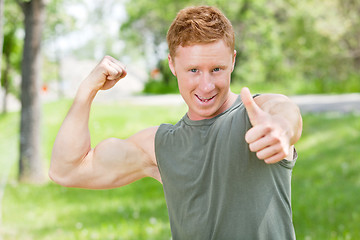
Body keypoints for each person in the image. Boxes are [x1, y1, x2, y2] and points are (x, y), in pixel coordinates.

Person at [50, 5, 302, 240]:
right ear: (172, 64)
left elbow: (285, 112)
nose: (206, 85)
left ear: (233, 61)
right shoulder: (159, 146)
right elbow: (66, 170)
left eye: (217, 69)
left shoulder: (258, 116)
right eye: (193, 70)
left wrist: (282, 129)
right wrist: (86, 91)